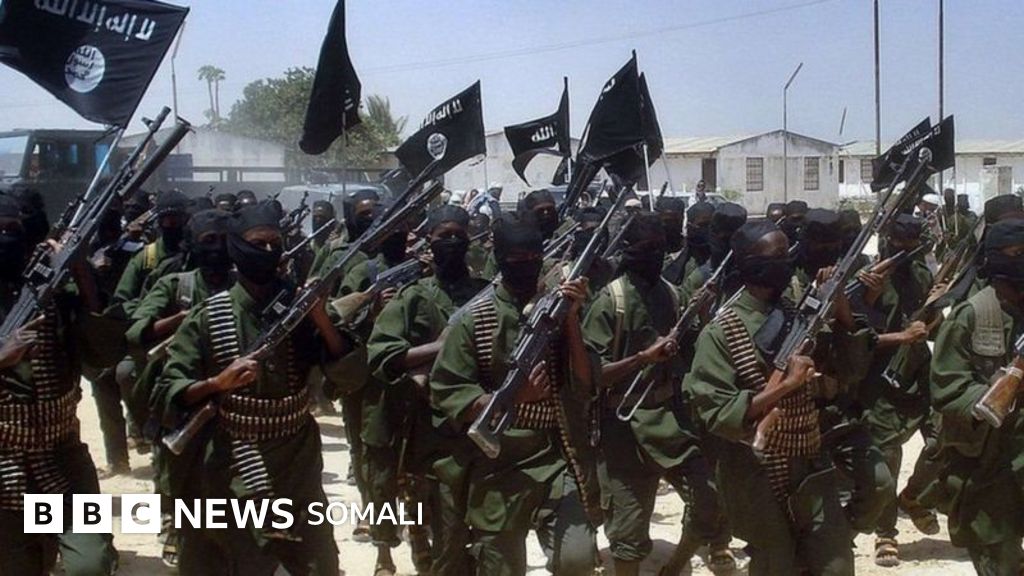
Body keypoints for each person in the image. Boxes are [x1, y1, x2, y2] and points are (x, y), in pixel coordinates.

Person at [156, 201, 352, 575]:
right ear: (237, 248)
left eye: (274, 243)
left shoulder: (300, 307)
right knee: (246, 560)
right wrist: (217, 383)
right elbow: (169, 390)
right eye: (257, 243)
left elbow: (348, 375)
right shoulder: (211, 315)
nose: (267, 250)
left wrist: (320, 317)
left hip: (298, 458)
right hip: (236, 459)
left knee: (320, 564)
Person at [684, 220, 865, 575]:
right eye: (779, 256)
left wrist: (841, 304)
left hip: (808, 457)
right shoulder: (722, 331)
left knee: (836, 564)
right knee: (775, 564)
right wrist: (785, 385)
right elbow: (716, 413)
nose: (788, 262)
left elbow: (851, 369)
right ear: (752, 265)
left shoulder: (797, 314)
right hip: (754, 473)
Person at [430, 215, 599, 576]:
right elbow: (448, 389)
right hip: (495, 463)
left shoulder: (553, 312)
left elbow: (585, 382)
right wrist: (513, 397)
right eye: (517, 259)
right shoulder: (475, 319)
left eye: (534, 258)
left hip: (553, 455)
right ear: (500, 260)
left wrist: (571, 318)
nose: (526, 265)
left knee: (578, 558)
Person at [584, 213, 734, 576]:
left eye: (659, 248)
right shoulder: (611, 301)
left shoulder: (671, 294)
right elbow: (592, 375)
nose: (653, 255)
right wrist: (643, 358)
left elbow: (694, 353)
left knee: (708, 500)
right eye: (646, 248)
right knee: (629, 533)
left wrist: (700, 314)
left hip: (670, 421)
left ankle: (674, 567)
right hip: (624, 429)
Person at [366, 205, 490, 576]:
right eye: (443, 236)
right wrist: (443, 346)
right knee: (439, 523)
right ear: (429, 242)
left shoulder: (486, 293)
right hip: (425, 427)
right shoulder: (413, 297)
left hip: (478, 421)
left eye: (458, 236)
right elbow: (384, 355)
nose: (451, 242)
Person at [0, 194, 120, 575]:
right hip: (4, 468)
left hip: (60, 459)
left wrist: (79, 268)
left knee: (91, 564)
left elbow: (104, 354)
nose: (5, 238)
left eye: (12, 230)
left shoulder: (52, 298)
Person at [924, 217, 1024, 575]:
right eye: (1017, 253)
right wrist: (1006, 386)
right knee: (1001, 560)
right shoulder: (972, 316)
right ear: (996, 259)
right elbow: (948, 391)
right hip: (991, 465)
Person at [852, 214, 938, 566]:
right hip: (881, 376)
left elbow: (933, 324)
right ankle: (886, 533)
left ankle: (914, 496)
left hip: (918, 370)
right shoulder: (867, 279)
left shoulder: (921, 274)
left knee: (941, 441)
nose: (904, 255)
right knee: (887, 453)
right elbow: (857, 337)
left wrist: (935, 310)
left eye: (911, 249)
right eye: (898, 247)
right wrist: (899, 333)